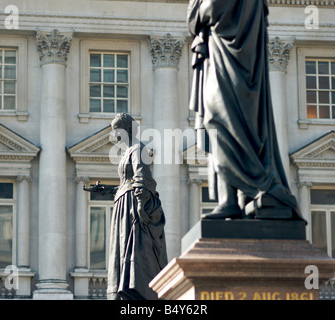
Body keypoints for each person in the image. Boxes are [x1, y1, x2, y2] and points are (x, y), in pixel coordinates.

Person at [188, 0, 302, 220]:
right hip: (227, 57)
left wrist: (196, 10)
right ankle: (236, 198)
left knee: (219, 120)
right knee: (224, 125)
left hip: (231, 61)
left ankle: (234, 199)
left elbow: (211, 9)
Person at [85, 113, 167, 300]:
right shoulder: (127, 152)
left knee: (133, 250)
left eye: (117, 130)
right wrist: (108, 190)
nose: (115, 135)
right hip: (123, 203)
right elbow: (126, 182)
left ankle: (134, 290)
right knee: (121, 252)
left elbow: (142, 177)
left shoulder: (139, 149)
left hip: (132, 205)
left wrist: (140, 204)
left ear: (127, 129)